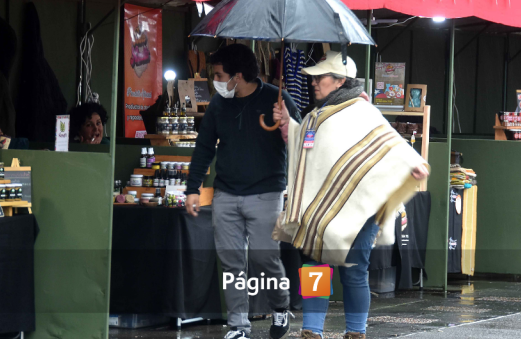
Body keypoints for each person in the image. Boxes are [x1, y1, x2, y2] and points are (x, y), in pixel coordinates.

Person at [272, 51, 429, 339]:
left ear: (340, 80)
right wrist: (287, 124)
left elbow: (390, 143)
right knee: (315, 268)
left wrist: (413, 164)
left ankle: (356, 333)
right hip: (321, 209)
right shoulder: (315, 116)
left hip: (360, 211)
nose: (314, 83)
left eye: (321, 77)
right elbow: (306, 150)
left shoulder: (363, 111)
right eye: (314, 77)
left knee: (354, 272)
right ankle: (312, 331)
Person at [184, 44, 301, 339]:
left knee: (264, 258)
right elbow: (204, 147)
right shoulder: (218, 105)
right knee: (232, 263)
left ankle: (280, 307)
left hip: (266, 194)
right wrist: (193, 187)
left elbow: (305, 144)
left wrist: (288, 121)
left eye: (220, 75)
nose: (216, 80)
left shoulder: (278, 99)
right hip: (225, 194)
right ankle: (238, 326)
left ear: (238, 76)